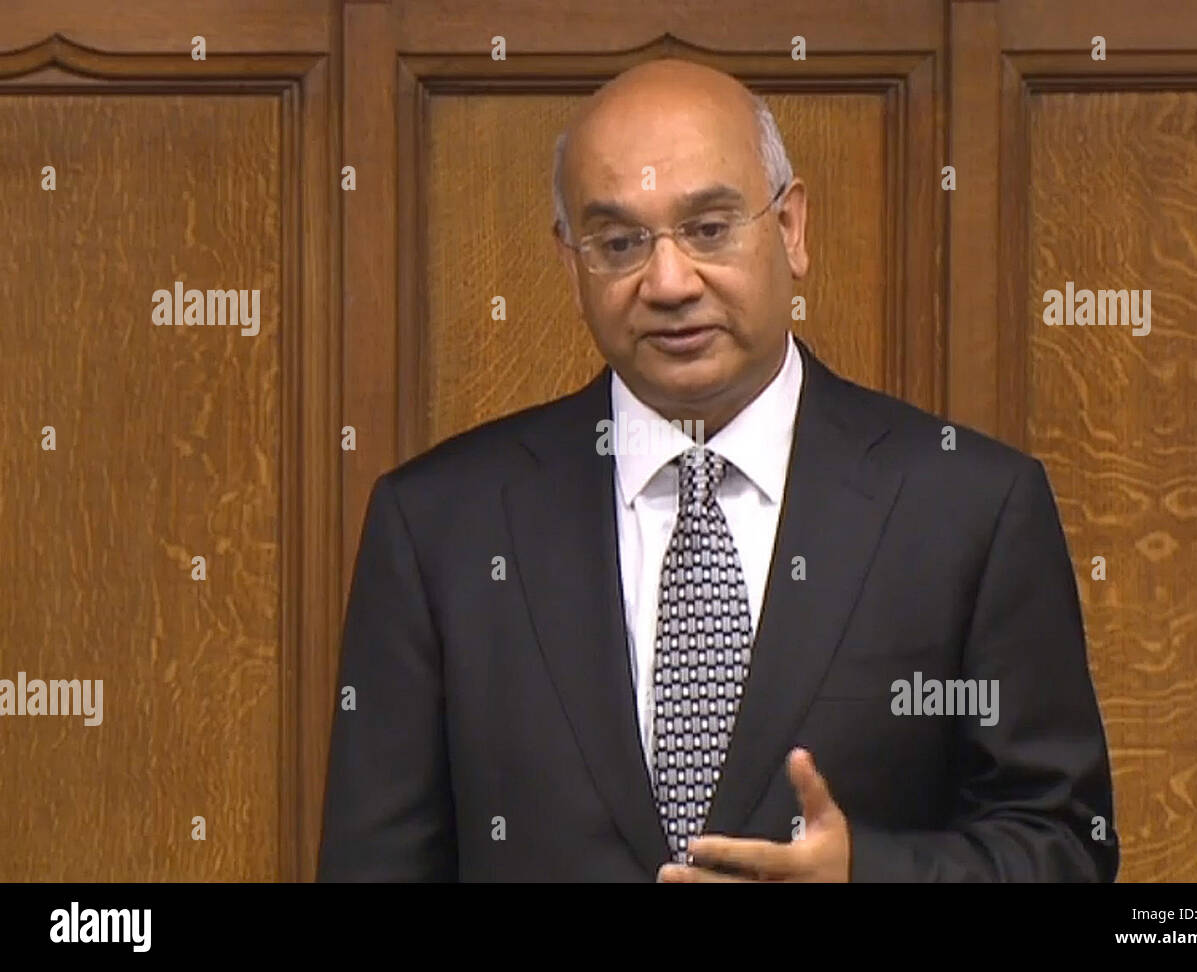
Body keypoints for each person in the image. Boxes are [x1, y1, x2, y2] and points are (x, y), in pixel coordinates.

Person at [316, 58, 1119, 882]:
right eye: (620, 242)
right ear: (571, 264)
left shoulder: (968, 508)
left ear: (792, 229)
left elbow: (1064, 846)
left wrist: (866, 876)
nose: (668, 282)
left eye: (709, 228)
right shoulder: (441, 527)